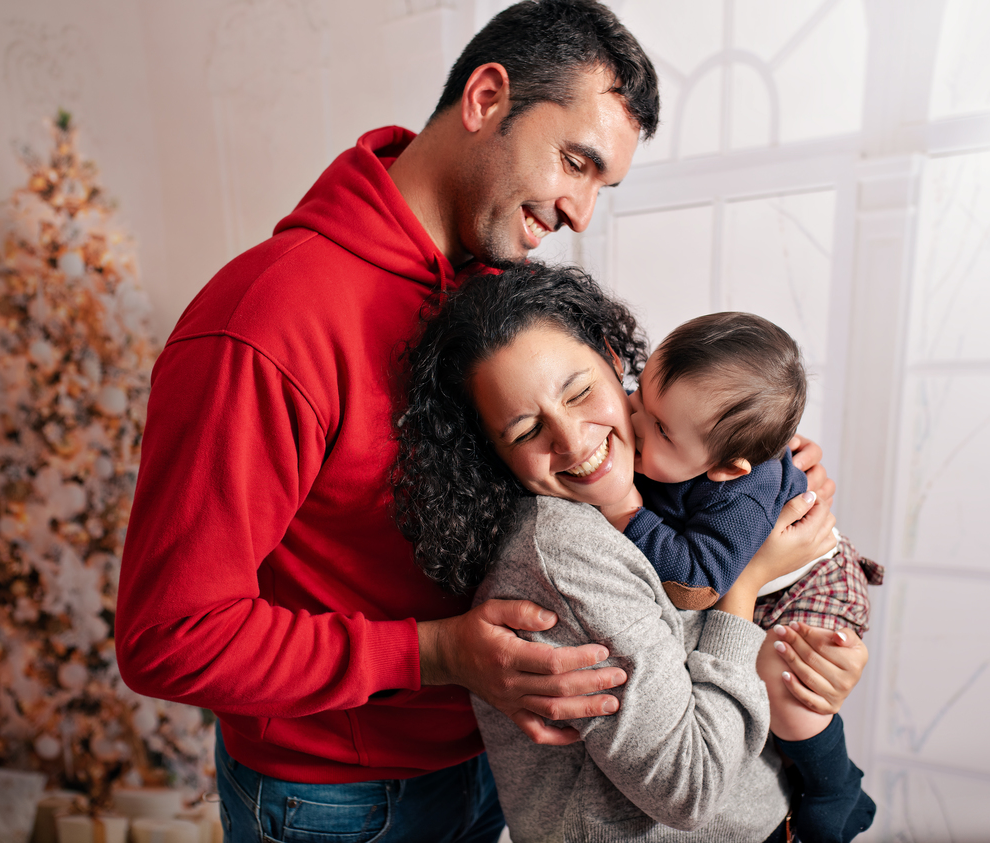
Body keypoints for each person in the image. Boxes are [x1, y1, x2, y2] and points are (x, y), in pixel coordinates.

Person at [116, 3, 671, 840]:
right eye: (574, 161)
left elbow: (594, 462)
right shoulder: (265, 322)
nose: (580, 213)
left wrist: (755, 474)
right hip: (336, 801)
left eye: (602, 185)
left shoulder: (505, 296)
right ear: (486, 97)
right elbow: (171, 636)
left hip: (498, 763)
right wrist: (436, 652)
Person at [393, 263, 869, 842]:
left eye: (580, 392)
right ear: (489, 450)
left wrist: (816, 665)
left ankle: (835, 784)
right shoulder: (566, 551)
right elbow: (688, 788)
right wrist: (748, 584)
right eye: (525, 432)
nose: (575, 442)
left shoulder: (674, 445)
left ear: (614, 361)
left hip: (777, 799)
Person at [597, 312, 882, 840]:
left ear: (727, 467)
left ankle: (836, 787)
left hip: (811, 580)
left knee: (785, 681)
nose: (633, 422)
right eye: (638, 396)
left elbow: (697, 585)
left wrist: (627, 515)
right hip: (761, 575)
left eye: (660, 429)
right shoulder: (686, 436)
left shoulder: (741, 497)